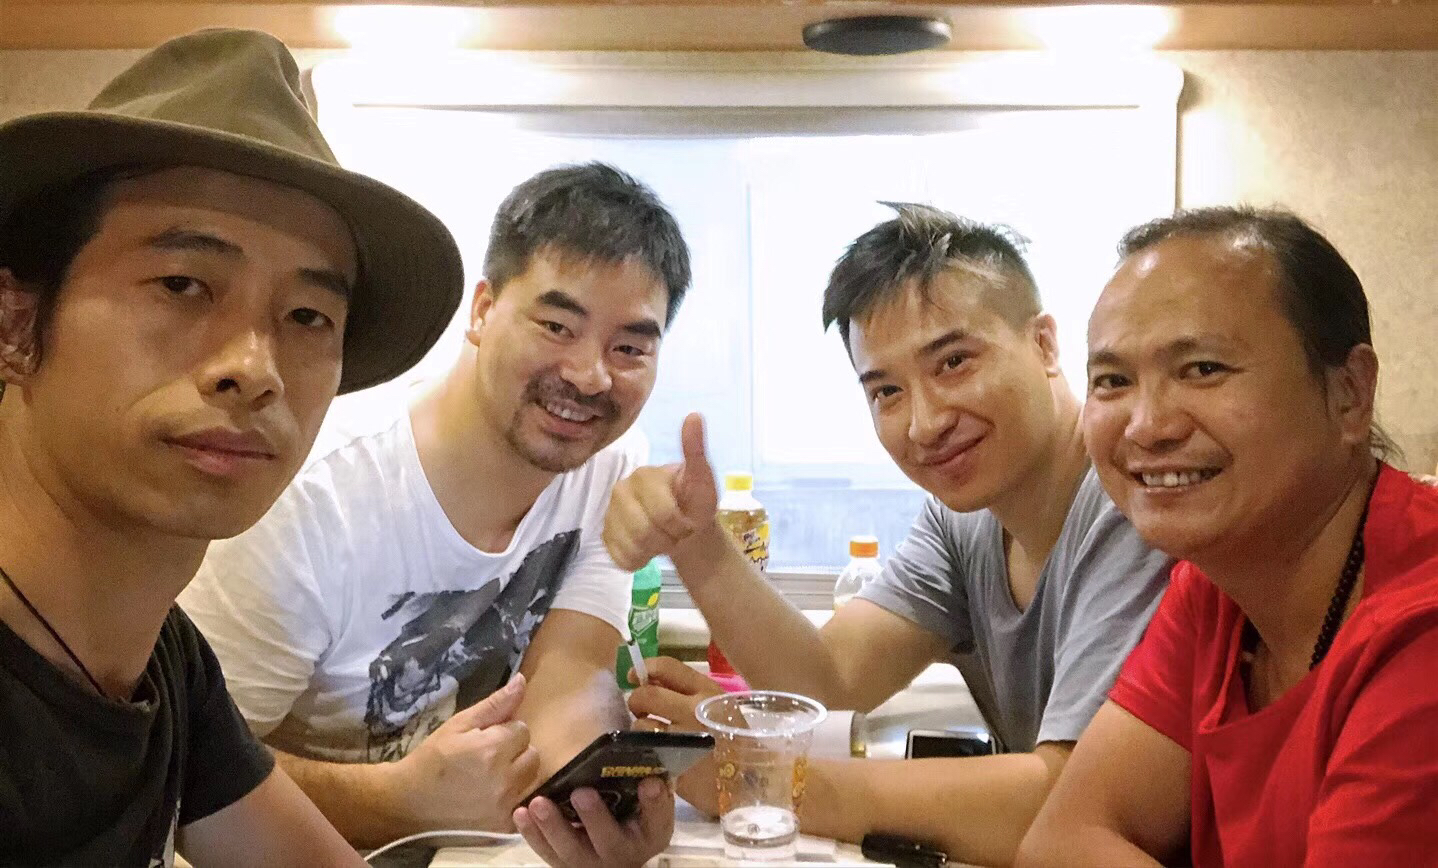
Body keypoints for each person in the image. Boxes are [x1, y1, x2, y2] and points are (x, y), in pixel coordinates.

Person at [0, 28, 464, 865]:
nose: (255, 370)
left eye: (308, 316)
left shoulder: (163, 659)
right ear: (15, 323)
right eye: (182, 284)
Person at [606, 203, 1172, 865]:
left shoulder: (1135, 503)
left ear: (1045, 344)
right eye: (886, 392)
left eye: (953, 362)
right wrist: (696, 542)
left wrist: (761, 777)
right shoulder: (964, 519)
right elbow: (831, 679)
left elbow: (1074, 804)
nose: (925, 423)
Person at [179, 162, 691, 861]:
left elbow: (571, 675)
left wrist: (591, 801)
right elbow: (182, 770)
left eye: (629, 347)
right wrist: (396, 799)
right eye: (556, 326)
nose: (590, 375)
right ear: (482, 311)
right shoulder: (309, 501)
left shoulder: (608, 465)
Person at [1018, 208, 1438, 866]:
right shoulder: (1215, 587)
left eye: (1203, 369)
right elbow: (1061, 841)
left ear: (1350, 394)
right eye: (1113, 381)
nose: (1147, 426)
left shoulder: (1420, 631)